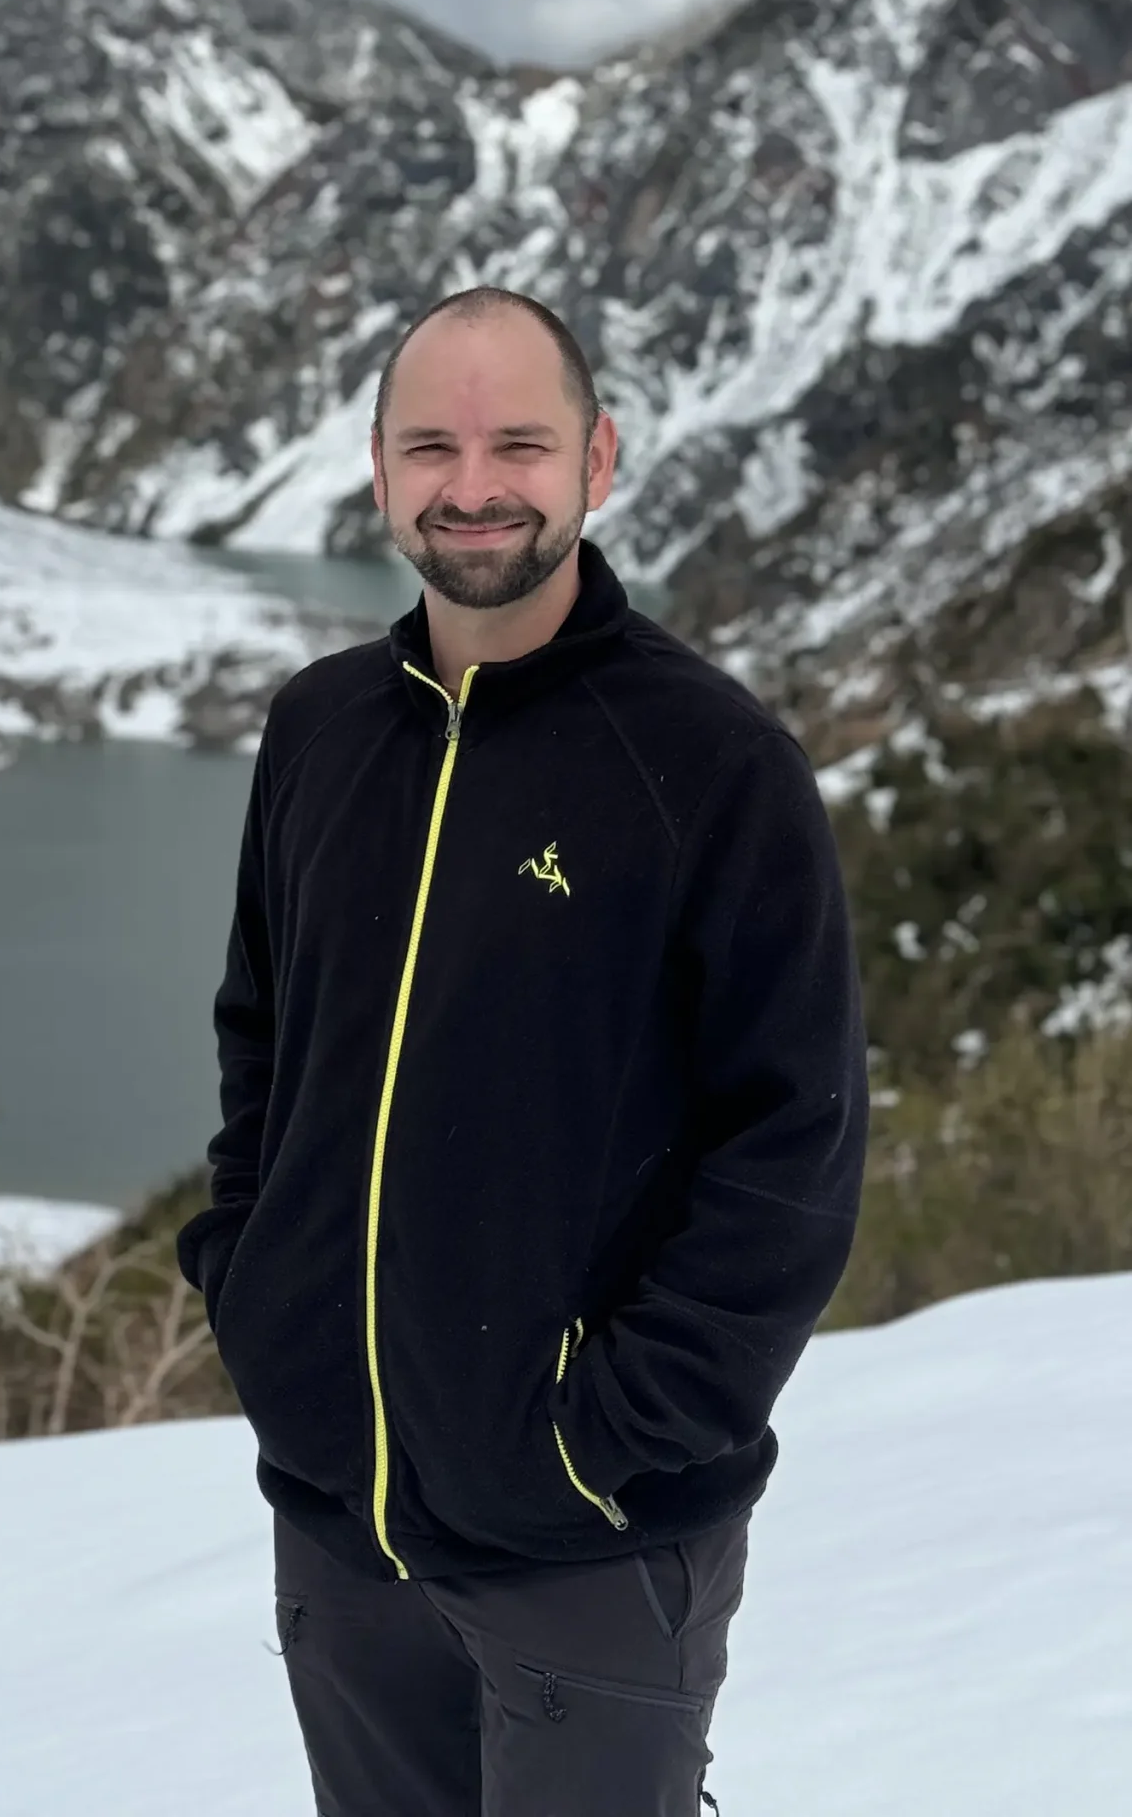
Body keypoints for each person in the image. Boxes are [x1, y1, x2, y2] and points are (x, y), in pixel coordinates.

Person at [176, 285, 869, 1817]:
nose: (470, 485)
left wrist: (598, 1440)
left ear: (597, 460)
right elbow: (260, 1040)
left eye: (518, 444)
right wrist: (256, 1295)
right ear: (374, 468)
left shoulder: (709, 762)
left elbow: (791, 1158)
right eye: (429, 444)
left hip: (591, 1548)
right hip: (342, 1527)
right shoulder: (319, 731)